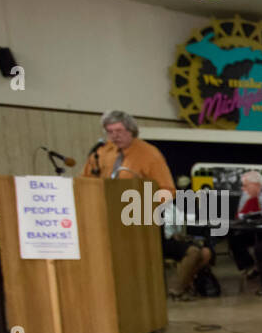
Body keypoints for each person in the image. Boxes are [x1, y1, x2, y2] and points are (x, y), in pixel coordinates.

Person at [82, 110, 211, 299]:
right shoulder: (101, 153)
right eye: (109, 131)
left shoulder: (149, 154)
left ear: (131, 130)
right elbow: (85, 181)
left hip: (141, 221)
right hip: (104, 220)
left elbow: (168, 191)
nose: (114, 136)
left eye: (118, 131)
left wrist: (142, 206)